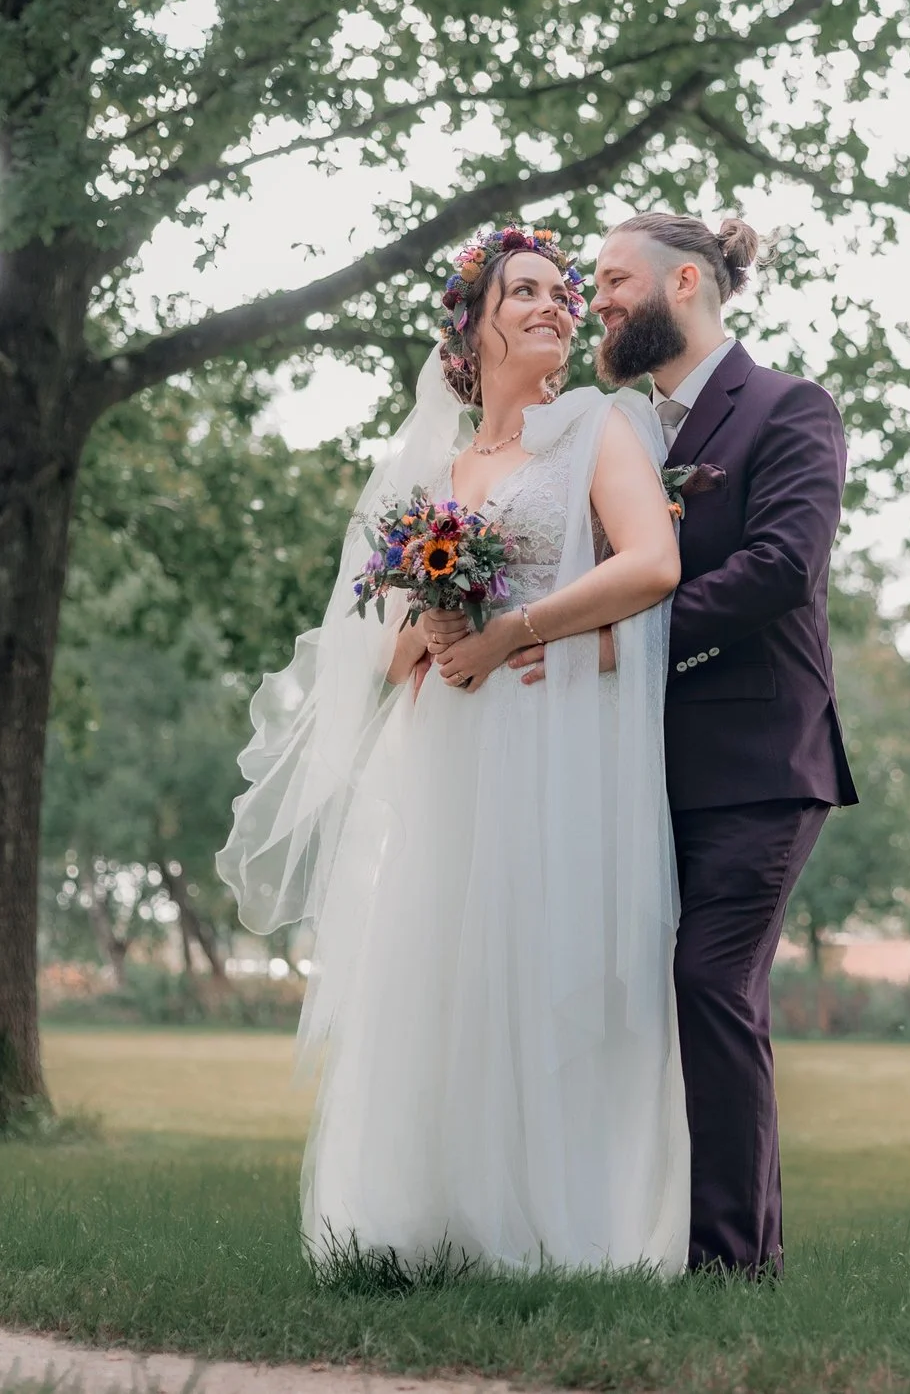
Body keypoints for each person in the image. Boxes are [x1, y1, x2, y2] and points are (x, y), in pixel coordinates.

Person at [216, 227, 688, 1272]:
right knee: (443, 972)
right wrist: (429, 631)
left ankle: (555, 1228)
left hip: (551, 732)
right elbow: (389, 660)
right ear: (473, 328)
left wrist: (514, 632)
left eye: (563, 292)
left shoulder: (598, 429)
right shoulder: (434, 471)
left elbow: (654, 563)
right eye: (524, 291)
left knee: (544, 957)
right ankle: (428, 1223)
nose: (555, 304)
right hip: (445, 756)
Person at [484, 212, 857, 1278]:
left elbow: (783, 567)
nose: (590, 299)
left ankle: (736, 1262)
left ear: (683, 280)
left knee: (709, 983)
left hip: (758, 761)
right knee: (639, 996)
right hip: (637, 770)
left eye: (607, 279)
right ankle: (635, 1235)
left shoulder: (789, 409)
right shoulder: (626, 434)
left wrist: (620, 635)